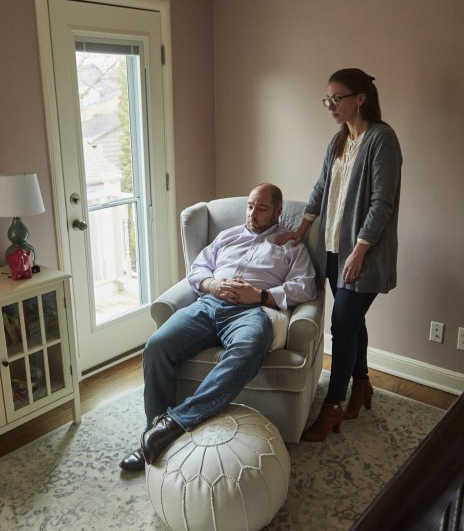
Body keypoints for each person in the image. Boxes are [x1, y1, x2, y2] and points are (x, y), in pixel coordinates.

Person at [120, 183, 317, 471]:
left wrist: (260, 295)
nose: (253, 213)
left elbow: (306, 287)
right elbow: (198, 269)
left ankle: (171, 426)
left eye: (261, 208)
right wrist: (212, 284)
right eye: (250, 206)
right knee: (156, 346)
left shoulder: (290, 246)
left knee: (248, 350)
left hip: (251, 311)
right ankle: (154, 430)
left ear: (278, 211)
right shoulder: (227, 236)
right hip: (208, 304)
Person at [276, 68, 402, 442]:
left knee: (343, 325)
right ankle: (362, 386)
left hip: (362, 254)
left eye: (337, 98)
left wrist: (360, 250)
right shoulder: (339, 139)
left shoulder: (382, 139)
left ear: (360, 98)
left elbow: (382, 203)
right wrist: (300, 230)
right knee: (352, 323)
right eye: (327, 99)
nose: (330, 105)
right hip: (332, 249)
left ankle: (332, 407)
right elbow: (320, 188)